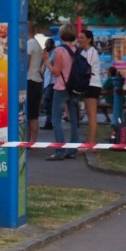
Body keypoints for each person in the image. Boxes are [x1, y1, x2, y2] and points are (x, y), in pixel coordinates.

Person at [47, 24, 81, 160]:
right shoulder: (76, 50)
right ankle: (73, 150)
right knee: (74, 120)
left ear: (61, 35)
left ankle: (60, 151)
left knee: (56, 120)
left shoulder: (59, 50)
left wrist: (46, 61)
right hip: (74, 89)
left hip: (61, 88)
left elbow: (56, 72)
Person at [78, 29, 102, 144]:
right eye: (79, 37)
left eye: (82, 37)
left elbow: (86, 67)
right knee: (88, 114)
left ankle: (92, 143)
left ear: (89, 39)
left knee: (92, 114)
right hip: (86, 85)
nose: (79, 40)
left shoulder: (92, 51)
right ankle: (90, 140)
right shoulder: (83, 52)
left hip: (93, 84)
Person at [26, 22, 45, 142]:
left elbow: (25, 64)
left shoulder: (29, 44)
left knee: (30, 115)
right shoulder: (37, 43)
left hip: (30, 80)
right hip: (37, 80)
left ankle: (30, 141)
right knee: (33, 114)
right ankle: (32, 140)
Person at [41, 38, 56, 129]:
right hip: (47, 81)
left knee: (48, 102)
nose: (46, 46)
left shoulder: (54, 53)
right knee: (48, 102)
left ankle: (49, 122)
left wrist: (45, 58)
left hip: (52, 81)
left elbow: (48, 62)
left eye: (47, 44)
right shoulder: (49, 53)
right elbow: (42, 70)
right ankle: (48, 121)